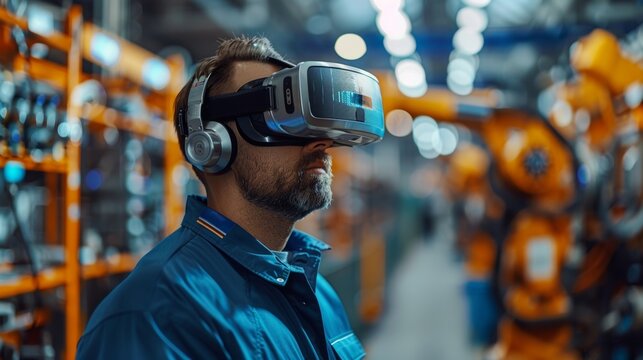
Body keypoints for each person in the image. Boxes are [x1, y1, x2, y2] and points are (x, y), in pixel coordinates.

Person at [76, 36, 384, 359]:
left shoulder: (318, 294)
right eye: (282, 117)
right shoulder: (154, 315)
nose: (320, 142)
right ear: (211, 145)